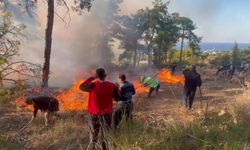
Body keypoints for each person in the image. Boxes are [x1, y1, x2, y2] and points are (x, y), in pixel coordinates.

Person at [79, 68, 119, 150]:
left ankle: (92, 148)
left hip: (94, 114)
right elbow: (117, 98)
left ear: (97, 76)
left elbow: (81, 87)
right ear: (105, 75)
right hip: (107, 114)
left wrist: (92, 78)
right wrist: (117, 88)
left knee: (94, 134)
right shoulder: (112, 85)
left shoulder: (92, 85)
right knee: (105, 134)